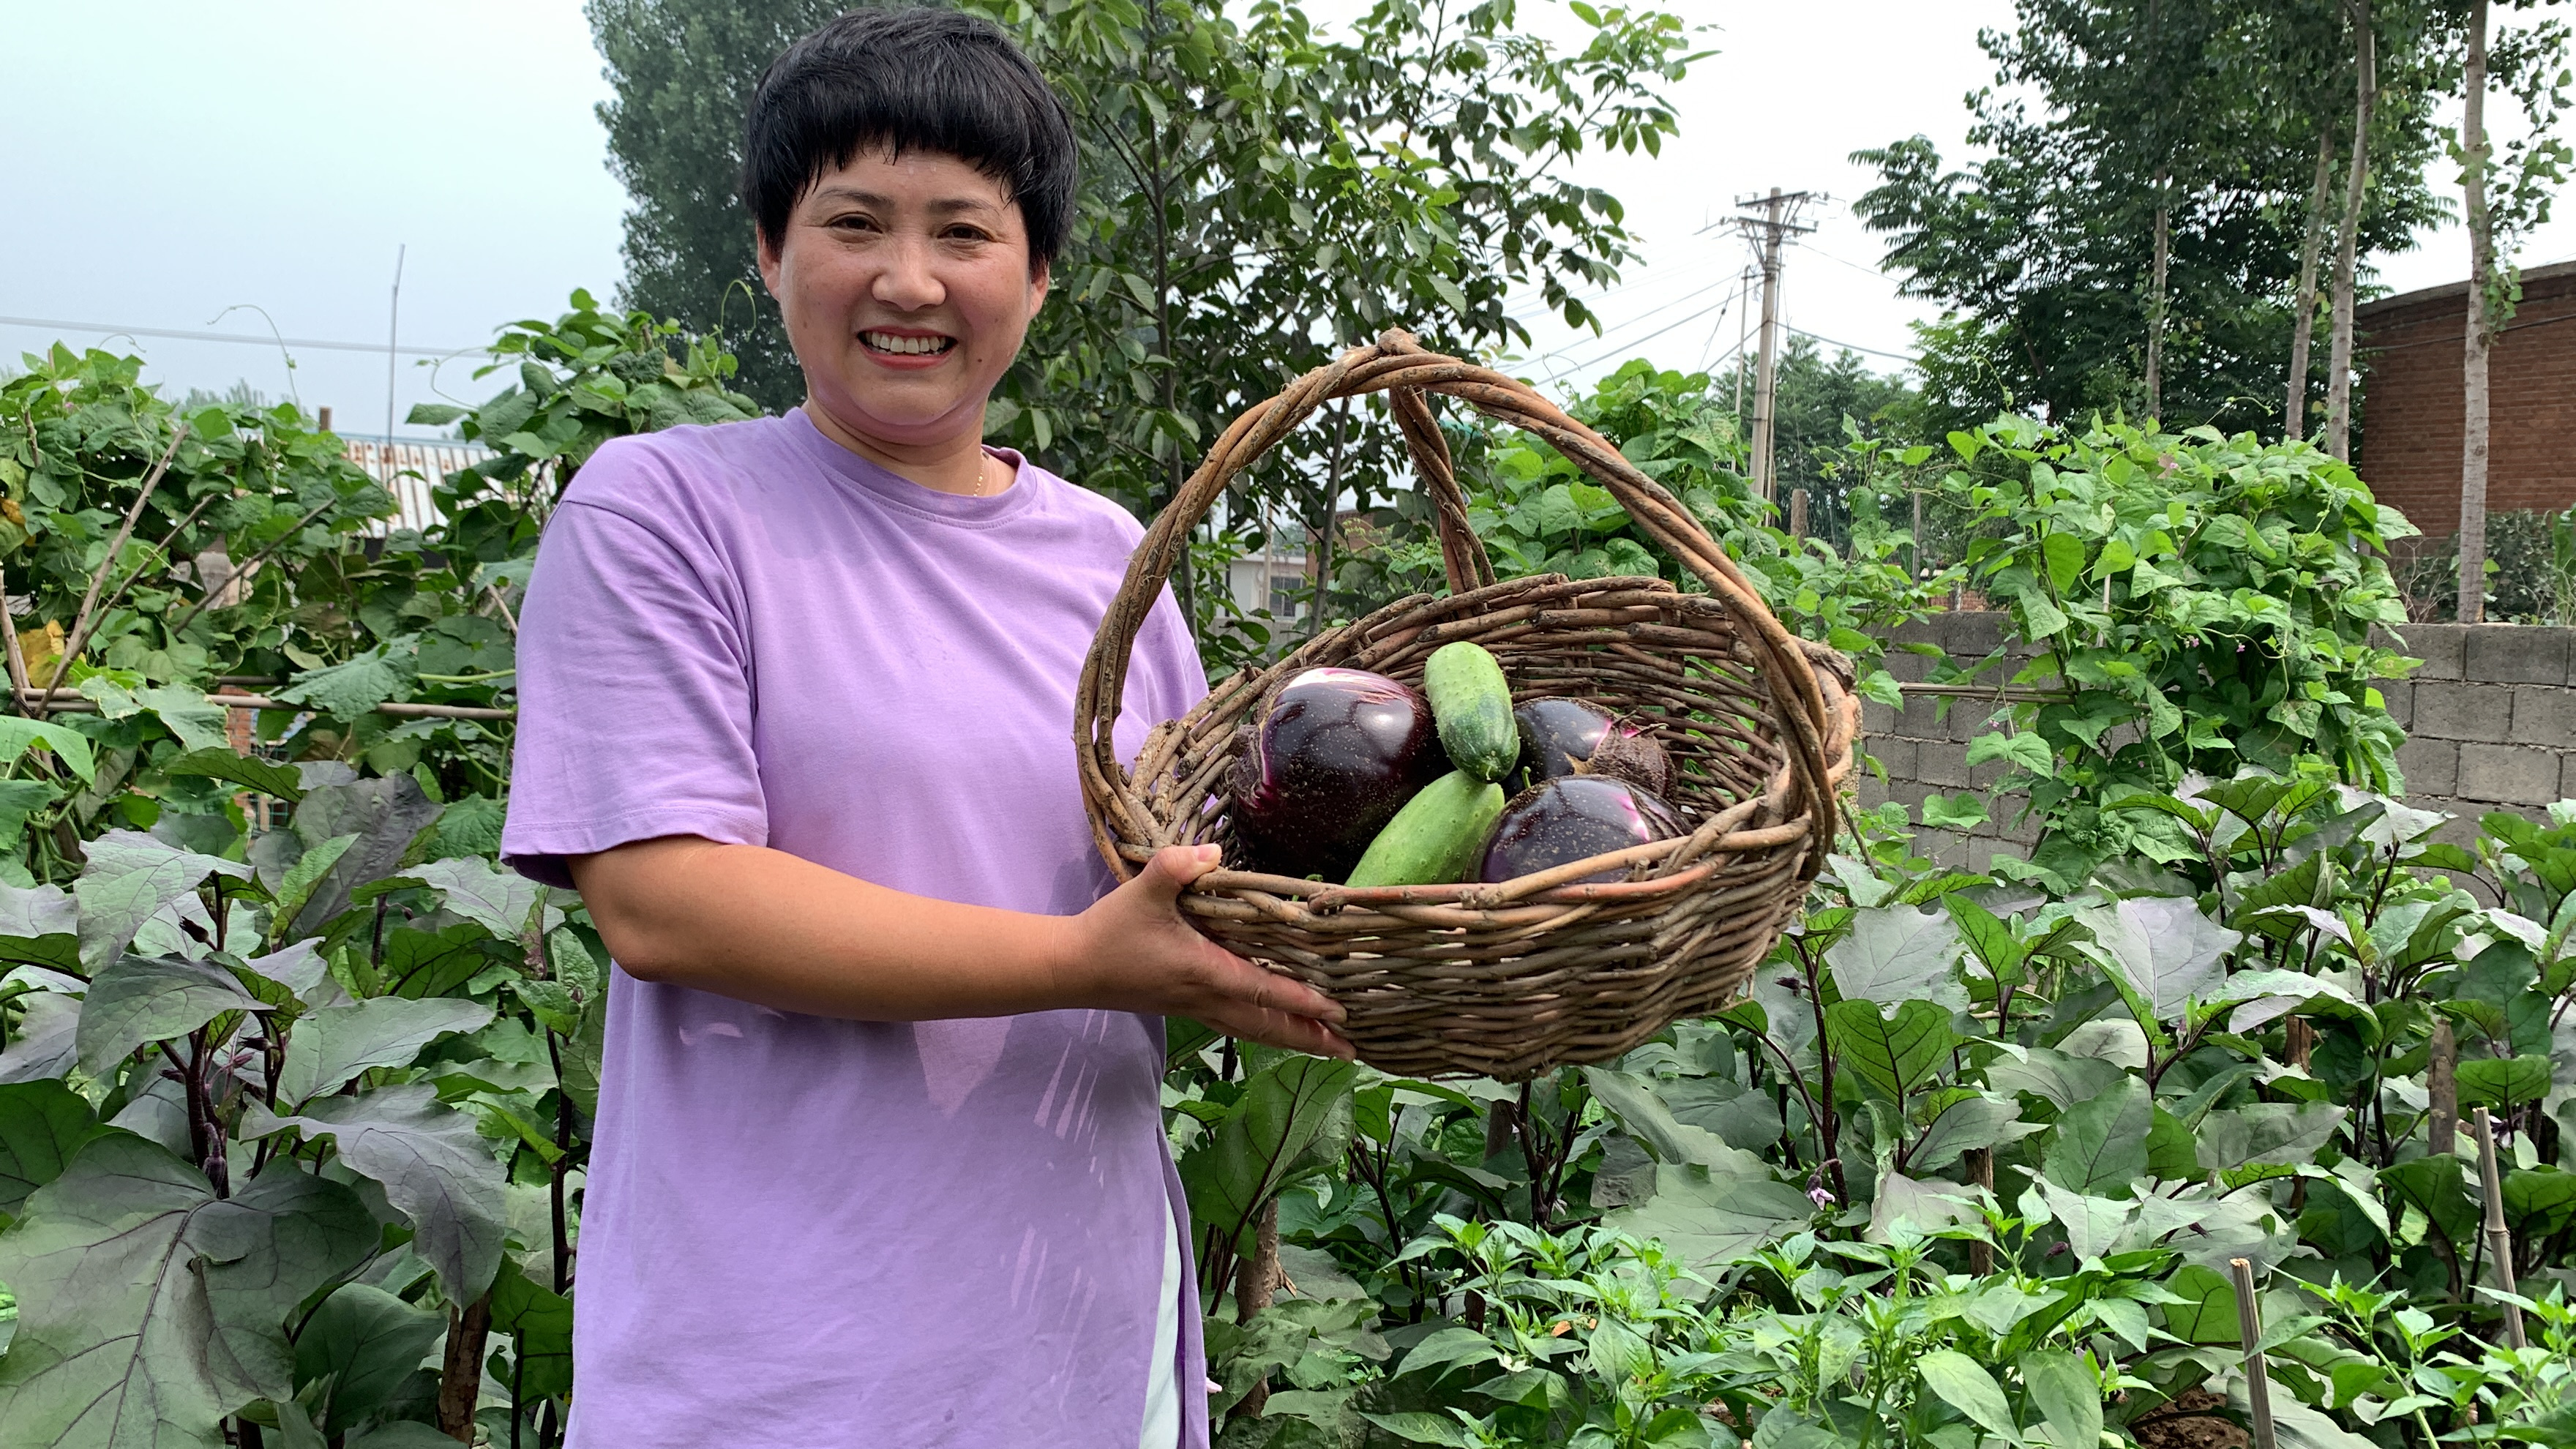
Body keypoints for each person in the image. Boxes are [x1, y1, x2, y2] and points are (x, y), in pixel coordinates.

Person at [498, 11, 1349, 1447]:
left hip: (1077, 1350)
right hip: (777, 1367)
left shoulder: (1106, 560)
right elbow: (666, 901)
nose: (909, 280)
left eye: (963, 228)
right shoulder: (664, 512)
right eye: (853, 222)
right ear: (770, 252)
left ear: (1035, 273)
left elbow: (1202, 865)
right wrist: (1084, 961)